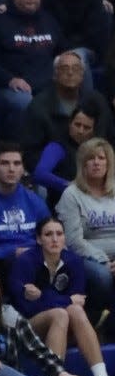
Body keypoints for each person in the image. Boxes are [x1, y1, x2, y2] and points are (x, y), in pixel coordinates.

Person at [8, 216, 111, 376]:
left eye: (59, 234)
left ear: (65, 238)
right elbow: (26, 306)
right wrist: (66, 300)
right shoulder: (25, 261)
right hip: (27, 328)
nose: (55, 239)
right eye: (48, 234)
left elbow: (79, 299)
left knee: (75, 310)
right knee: (60, 313)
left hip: (64, 325)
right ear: (39, 239)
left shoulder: (74, 261)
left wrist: (48, 298)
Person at [0, 0, 64, 136]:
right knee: (24, 101)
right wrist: (9, 79)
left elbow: (62, 51)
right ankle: (20, 152)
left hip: (46, 86)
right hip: (9, 89)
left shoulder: (49, 20)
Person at [0, 142, 50, 277]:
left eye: (17, 164)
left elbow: (50, 234)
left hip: (36, 258)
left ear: (23, 169)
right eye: (5, 163)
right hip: (0, 265)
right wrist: (14, 252)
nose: (11, 169)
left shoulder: (34, 200)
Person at [20, 51, 111, 174]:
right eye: (64, 68)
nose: (70, 73)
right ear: (55, 75)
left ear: (82, 75)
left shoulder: (97, 101)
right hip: (55, 174)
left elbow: (108, 139)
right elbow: (30, 153)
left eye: (76, 69)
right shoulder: (38, 107)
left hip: (96, 169)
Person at [56, 137, 115, 320]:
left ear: (109, 163)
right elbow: (73, 241)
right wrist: (104, 261)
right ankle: (97, 318)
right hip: (87, 257)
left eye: (101, 158)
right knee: (102, 276)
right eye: (91, 158)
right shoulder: (71, 194)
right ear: (83, 164)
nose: (96, 163)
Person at [41, 0, 111, 78]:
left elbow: (95, 33)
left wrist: (69, 51)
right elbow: (46, 24)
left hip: (86, 48)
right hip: (54, 47)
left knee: (77, 60)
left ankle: (86, 99)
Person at [33, 102, 100, 203]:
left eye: (87, 128)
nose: (81, 131)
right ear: (70, 124)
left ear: (93, 130)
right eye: (77, 125)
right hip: (61, 208)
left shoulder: (97, 149)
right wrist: (71, 187)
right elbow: (40, 174)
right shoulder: (57, 146)